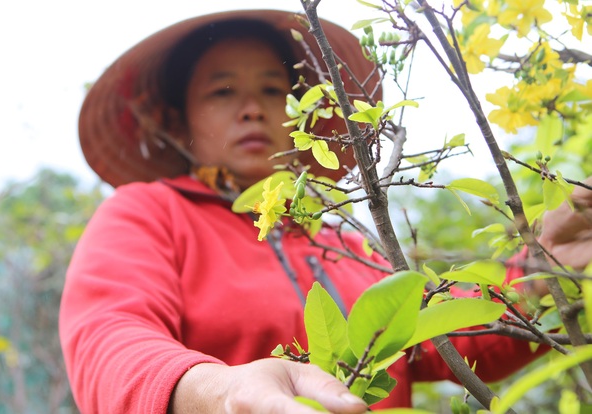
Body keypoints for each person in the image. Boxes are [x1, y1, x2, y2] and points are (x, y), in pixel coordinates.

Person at [58, 8, 592, 414]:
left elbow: (439, 341)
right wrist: (219, 391)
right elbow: (108, 336)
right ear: (178, 124)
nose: (251, 107)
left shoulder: (341, 242)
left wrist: (540, 269)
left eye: (272, 89)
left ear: (300, 116)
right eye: (222, 91)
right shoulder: (149, 213)